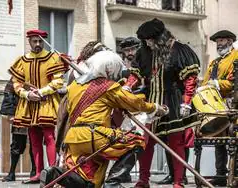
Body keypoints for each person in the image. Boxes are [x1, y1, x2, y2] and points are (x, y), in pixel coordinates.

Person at [40, 50, 168, 188]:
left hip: (73, 138)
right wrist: (155, 108)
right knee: (136, 141)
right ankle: (113, 182)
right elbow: (134, 102)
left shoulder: (74, 86)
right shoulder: (108, 87)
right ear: (109, 69)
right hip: (95, 135)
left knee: (88, 182)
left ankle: (55, 173)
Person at [134, 18, 200, 188]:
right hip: (151, 103)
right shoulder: (144, 52)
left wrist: (186, 102)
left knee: (175, 143)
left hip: (173, 101)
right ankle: (143, 180)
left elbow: (190, 79)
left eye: (150, 40)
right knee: (145, 143)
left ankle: (178, 181)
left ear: (160, 38)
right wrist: (127, 87)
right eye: (146, 40)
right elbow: (135, 74)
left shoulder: (180, 50)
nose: (148, 44)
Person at [8, 29, 67, 184]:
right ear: (29, 42)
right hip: (28, 104)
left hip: (46, 102)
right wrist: (27, 94)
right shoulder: (22, 60)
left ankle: (53, 172)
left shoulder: (52, 57)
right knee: (33, 139)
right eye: (35, 41)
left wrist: (40, 92)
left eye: (40, 41)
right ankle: (38, 173)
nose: (38, 44)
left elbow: (58, 82)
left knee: (49, 137)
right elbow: (16, 83)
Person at [201, 30, 238, 186]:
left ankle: (235, 174)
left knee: (233, 140)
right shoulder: (214, 62)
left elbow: (234, 83)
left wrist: (216, 84)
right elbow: (206, 82)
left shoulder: (236, 57)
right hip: (216, 105)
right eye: (217, 42)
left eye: (222, 41)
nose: (219, 44)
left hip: (232, 105)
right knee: (219, 139)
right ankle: (220, 174)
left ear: (230, 41)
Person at [0, 79, 36, 182]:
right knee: (16, 144)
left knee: (35, 145)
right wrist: (10, 112)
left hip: (35, 112)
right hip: (19, 112)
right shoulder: (18, 73)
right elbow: (9, 92)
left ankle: (34, 172)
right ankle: (11, 173)